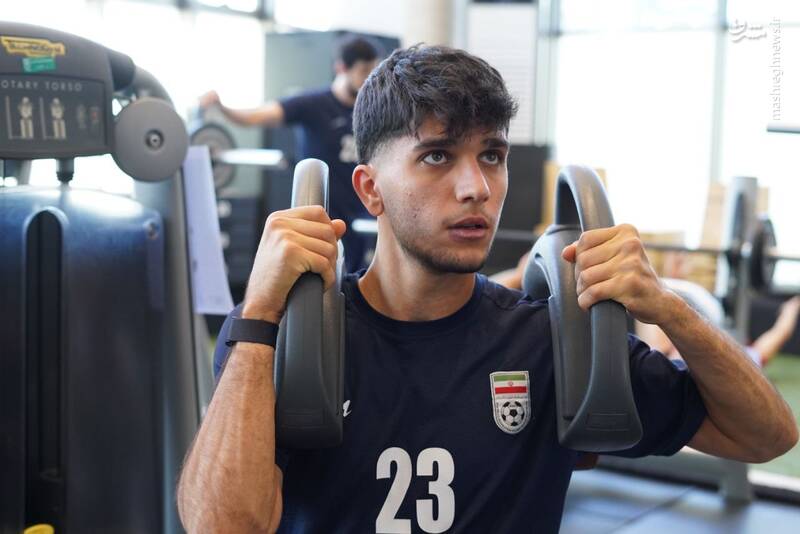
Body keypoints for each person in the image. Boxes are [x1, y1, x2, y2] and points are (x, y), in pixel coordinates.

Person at [177, 45, 798, 533]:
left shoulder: (550, 341)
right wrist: (261, 312)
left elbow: (765, 437)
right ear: (370, 190)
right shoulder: (285, 336)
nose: (476, 187)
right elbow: (224, 525)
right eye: (438, 156)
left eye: (492, 156)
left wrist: (669, 308)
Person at [199, 35, 382, 272]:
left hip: (359, 219)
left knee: (354, 281)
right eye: (364, 71)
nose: (369, 78)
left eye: (373, 70)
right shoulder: (312, 104)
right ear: (341, 68)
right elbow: (256, 117)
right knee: (316, 283)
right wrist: (222, 107)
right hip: (316, 219)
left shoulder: (371, 111)